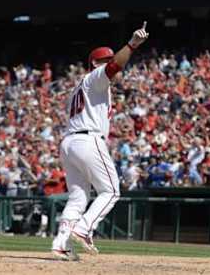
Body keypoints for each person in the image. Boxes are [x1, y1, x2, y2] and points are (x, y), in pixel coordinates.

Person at [51, 22, 149, 260]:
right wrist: (133, 44)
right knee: (111, 191)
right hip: (87, 139)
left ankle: (60, 243)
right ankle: (84, 229)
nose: (110, 62)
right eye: (104, 59)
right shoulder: (95, 77)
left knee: (78, 197)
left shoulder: (80, 87)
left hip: (70, 142)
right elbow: (115, 65)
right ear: (95, 63)